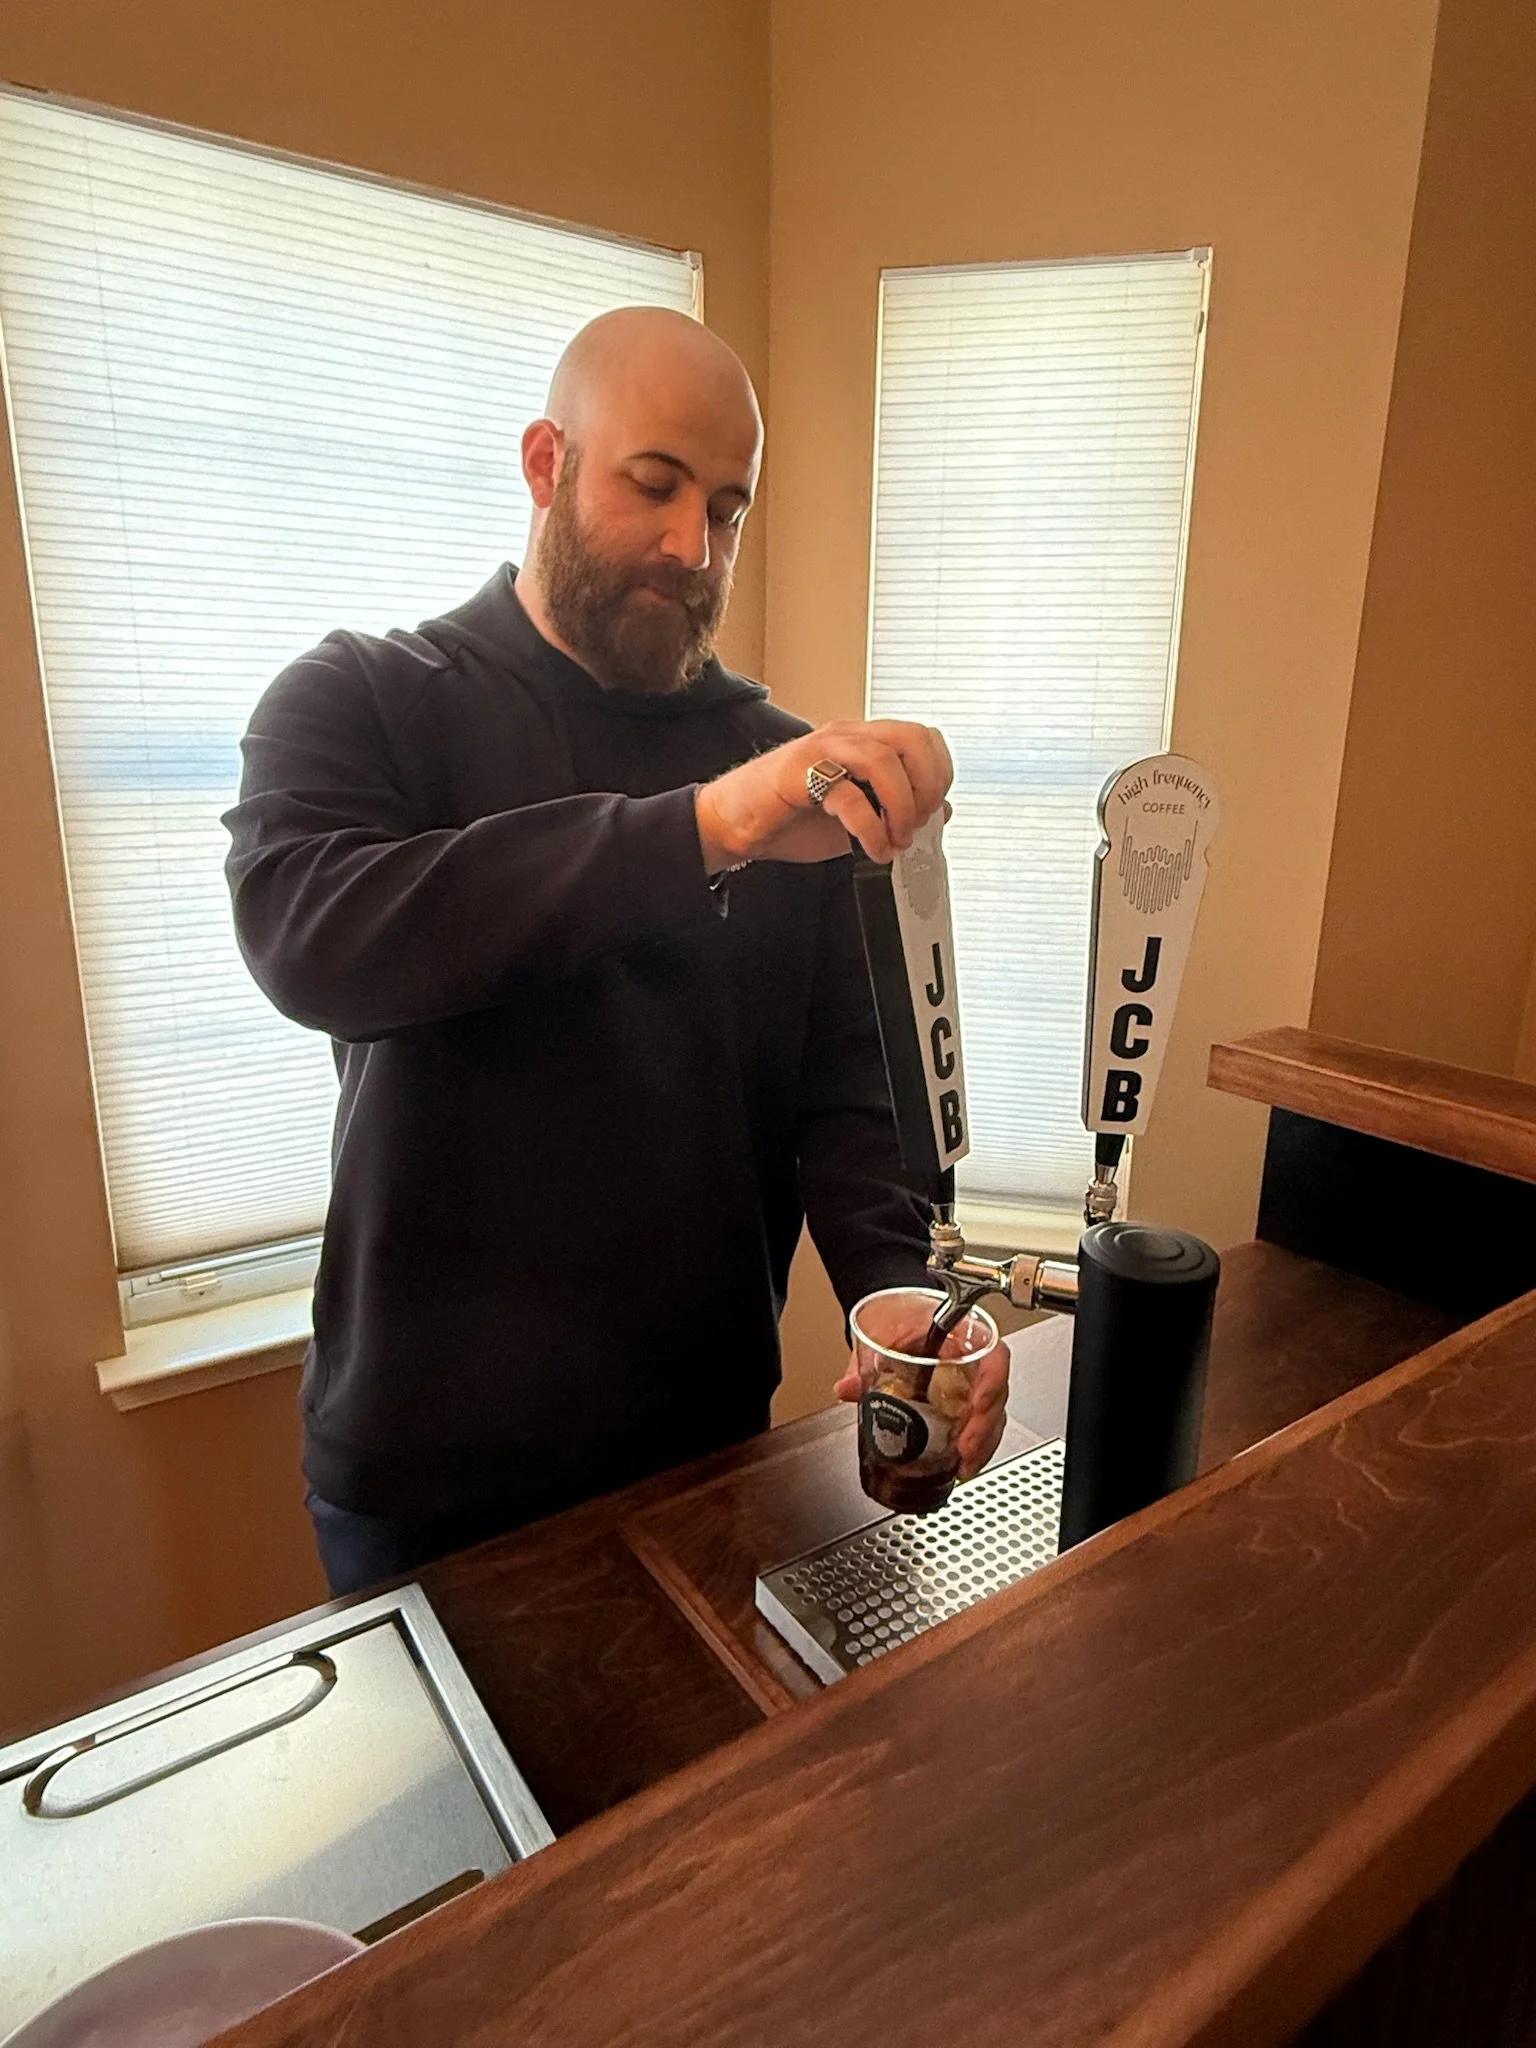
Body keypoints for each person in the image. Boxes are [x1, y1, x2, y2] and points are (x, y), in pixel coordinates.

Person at [225, 306, 1008, 1596]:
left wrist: (900, 1289)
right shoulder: (360, 697)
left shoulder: (790, 775)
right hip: (425, 1476)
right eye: (654, 485)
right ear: (548, 464)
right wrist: (705, 830)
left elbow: (850, 1089)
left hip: (699, 1445)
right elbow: (315, 941)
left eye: (728, 509)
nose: (693, 546)